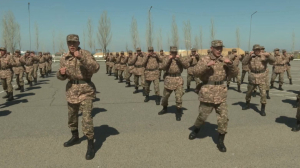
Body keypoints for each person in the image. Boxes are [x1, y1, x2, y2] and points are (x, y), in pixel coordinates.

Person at [188, 40, 238, 153]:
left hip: (221, 92)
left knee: (223, 118)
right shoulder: (205, 59)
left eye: (220, 48)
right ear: (211, 48)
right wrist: (206, 66)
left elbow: (235, 74)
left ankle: (220, 141)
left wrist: (230, 63)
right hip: (207, 93)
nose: (219, 50)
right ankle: (196, 129)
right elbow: (195, 72)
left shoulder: (224, 60)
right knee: (202, 116)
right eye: (216, 48)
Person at [57, 34, 100, 160]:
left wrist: (81, 58)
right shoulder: (64, 58)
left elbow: (96, 68)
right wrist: (61, 73)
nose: (72, 45)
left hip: (86, 90)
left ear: (78, 43)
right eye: (69, 43)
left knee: (87, 118)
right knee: (72, 116)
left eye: (74, 43)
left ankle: (90, 144)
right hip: (71, 90)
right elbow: (61, 77)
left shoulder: (85, 54)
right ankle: (75, 136)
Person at [242, 45, 275, 116]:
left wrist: (269, 55)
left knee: (263, 94)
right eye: (256, 50)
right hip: (252, 76)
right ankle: (247, 104)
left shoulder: (264, 56)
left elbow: (273, 61)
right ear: (253, 50)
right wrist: (248, 56)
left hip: (261, 77)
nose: (257, 51)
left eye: (258, 50)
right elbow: (244, 62)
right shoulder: (251, 56)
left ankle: (263, 109)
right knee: (248, 92)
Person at [158, 46, 189, 121]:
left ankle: (178, 111)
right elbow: (162, 67)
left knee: (178, 97)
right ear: (170, 52)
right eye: (172, 52)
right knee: (165, 97)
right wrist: (169, 59)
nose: (174, 54)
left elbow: (187, 66)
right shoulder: (166, 58)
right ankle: (164, 108)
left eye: (175, 52)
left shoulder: (180, 59)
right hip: (169, 79)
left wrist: (180, 59)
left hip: (178, 79)